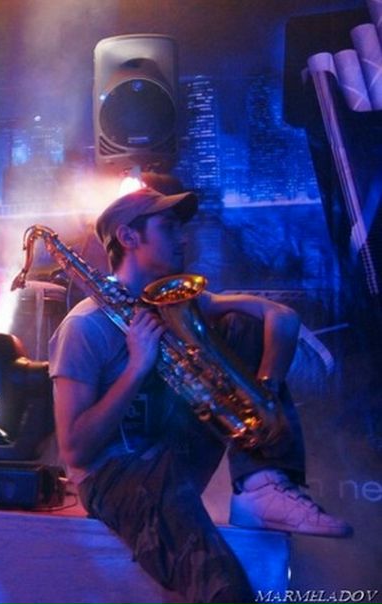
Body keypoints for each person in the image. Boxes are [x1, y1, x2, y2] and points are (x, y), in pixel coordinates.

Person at [48, 187, 351, 603]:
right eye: (169, 227)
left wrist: (263, 392)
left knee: (240, 324)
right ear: (128, 236)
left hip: (172, 455)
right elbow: (76, 451)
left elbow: (280, 317)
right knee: (224, 588)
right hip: (115, 475)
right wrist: (137, 367)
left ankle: (261, 485)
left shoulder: (178, 302)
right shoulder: (84, 327)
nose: (184, 238)